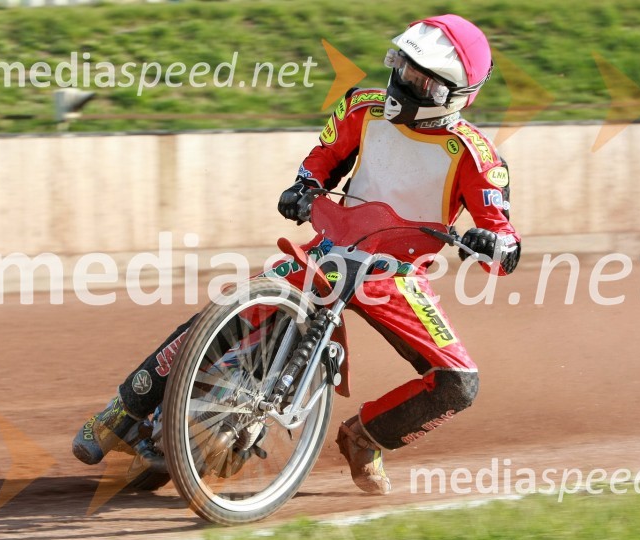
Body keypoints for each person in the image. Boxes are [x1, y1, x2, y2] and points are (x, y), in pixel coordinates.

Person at [72, 14, 520, 496]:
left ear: (456, 96)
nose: (405, 83)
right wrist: (305, 185)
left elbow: (504, 238)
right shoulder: (362, 107)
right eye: (404, 67)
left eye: (422, 80)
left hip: (397, 275)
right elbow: (324, 156)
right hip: (328, 250)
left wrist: (495, 244)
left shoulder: (476, 156)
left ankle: (365, 437)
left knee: (459, 384)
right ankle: (123, 407)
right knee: (220, 316)